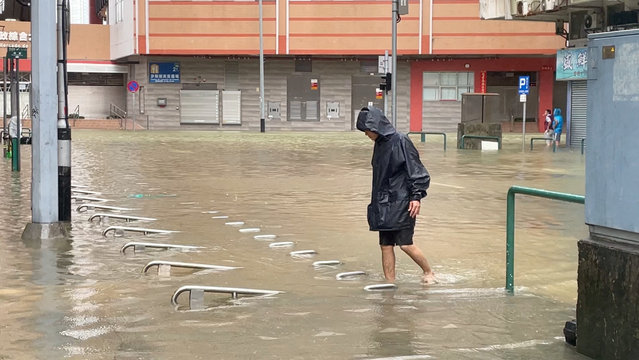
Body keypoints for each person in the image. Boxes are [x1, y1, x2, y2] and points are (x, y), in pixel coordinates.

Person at [356, 106, 436, 284]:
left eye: (367, 130)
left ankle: (429, 271)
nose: (366, 134)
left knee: (405, 244)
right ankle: (389, 282)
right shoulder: (379, 145)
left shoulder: (401, 140)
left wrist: (416, 196)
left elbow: (416, 170)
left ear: (376, 127)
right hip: (383, 203)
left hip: (401, 202)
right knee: (385, 245)